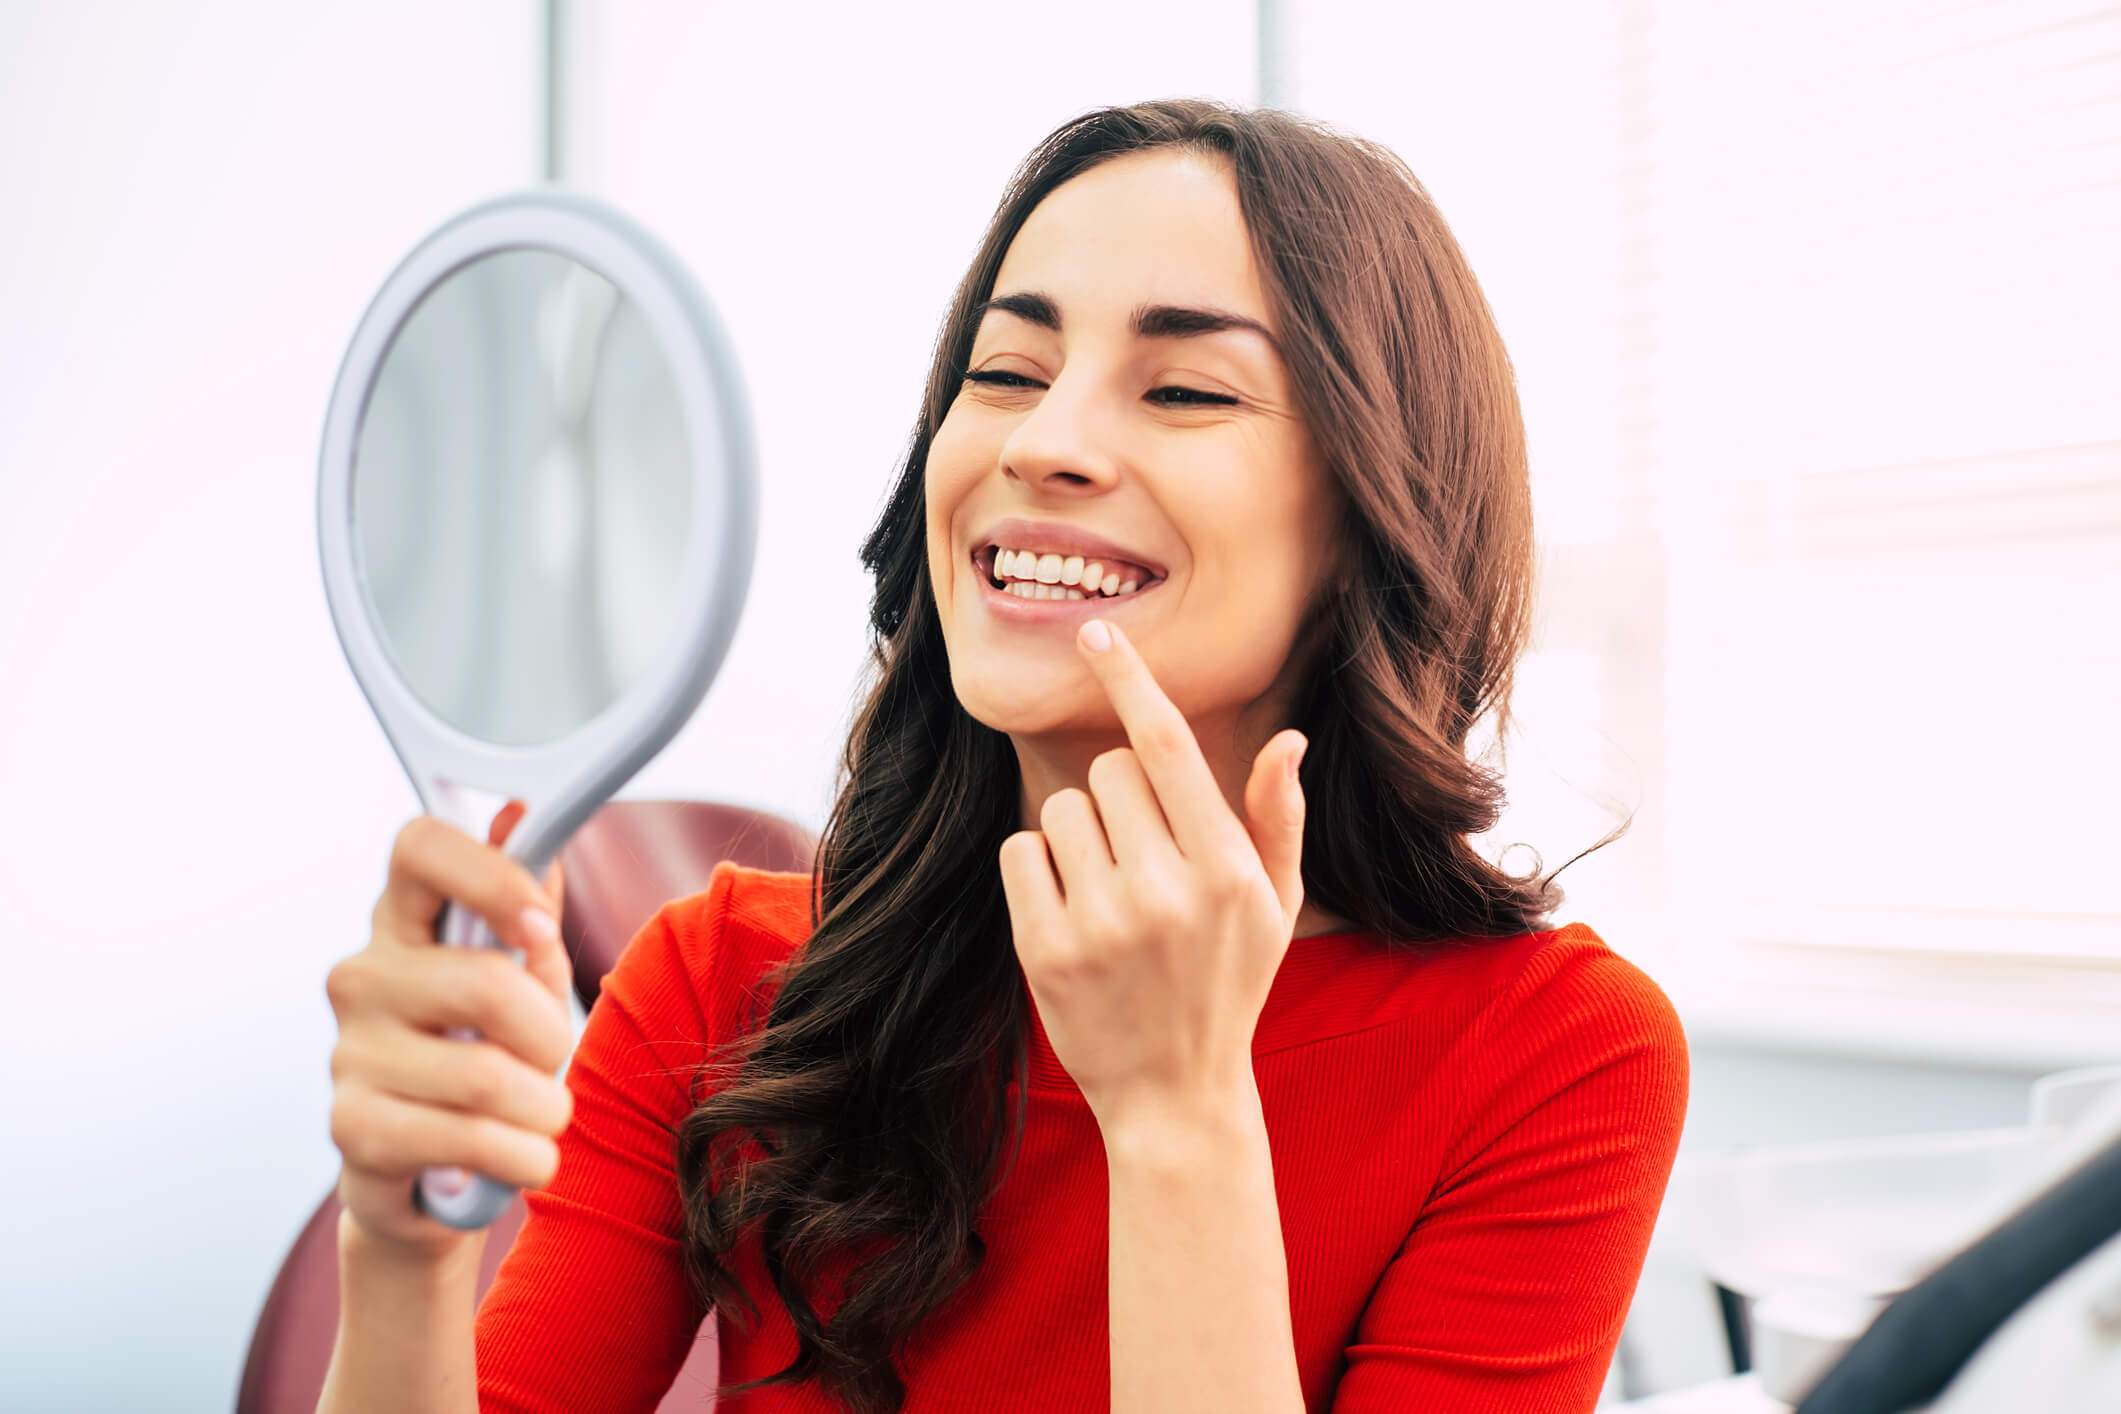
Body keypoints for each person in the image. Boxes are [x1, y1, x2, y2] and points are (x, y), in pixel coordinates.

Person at [316, 98, 1689, 1414]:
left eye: (1185, 388)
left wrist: (1175, 1113)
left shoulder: (1556, 1057)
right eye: (1004, 371)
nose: (1042, 442)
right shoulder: (714, 979)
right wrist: (402, 1253)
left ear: (1373, 514)